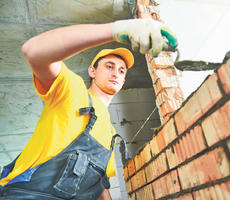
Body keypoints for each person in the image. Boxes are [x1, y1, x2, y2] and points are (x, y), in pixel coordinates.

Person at [0, 18, 177, 200]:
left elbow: (98, 185)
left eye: (122, 71)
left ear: (123, 82)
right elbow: (33, 51)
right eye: (109, 66)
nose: (116, 73)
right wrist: (114, 29)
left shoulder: (110, 134)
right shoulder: (73, 91)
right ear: (92, 71)